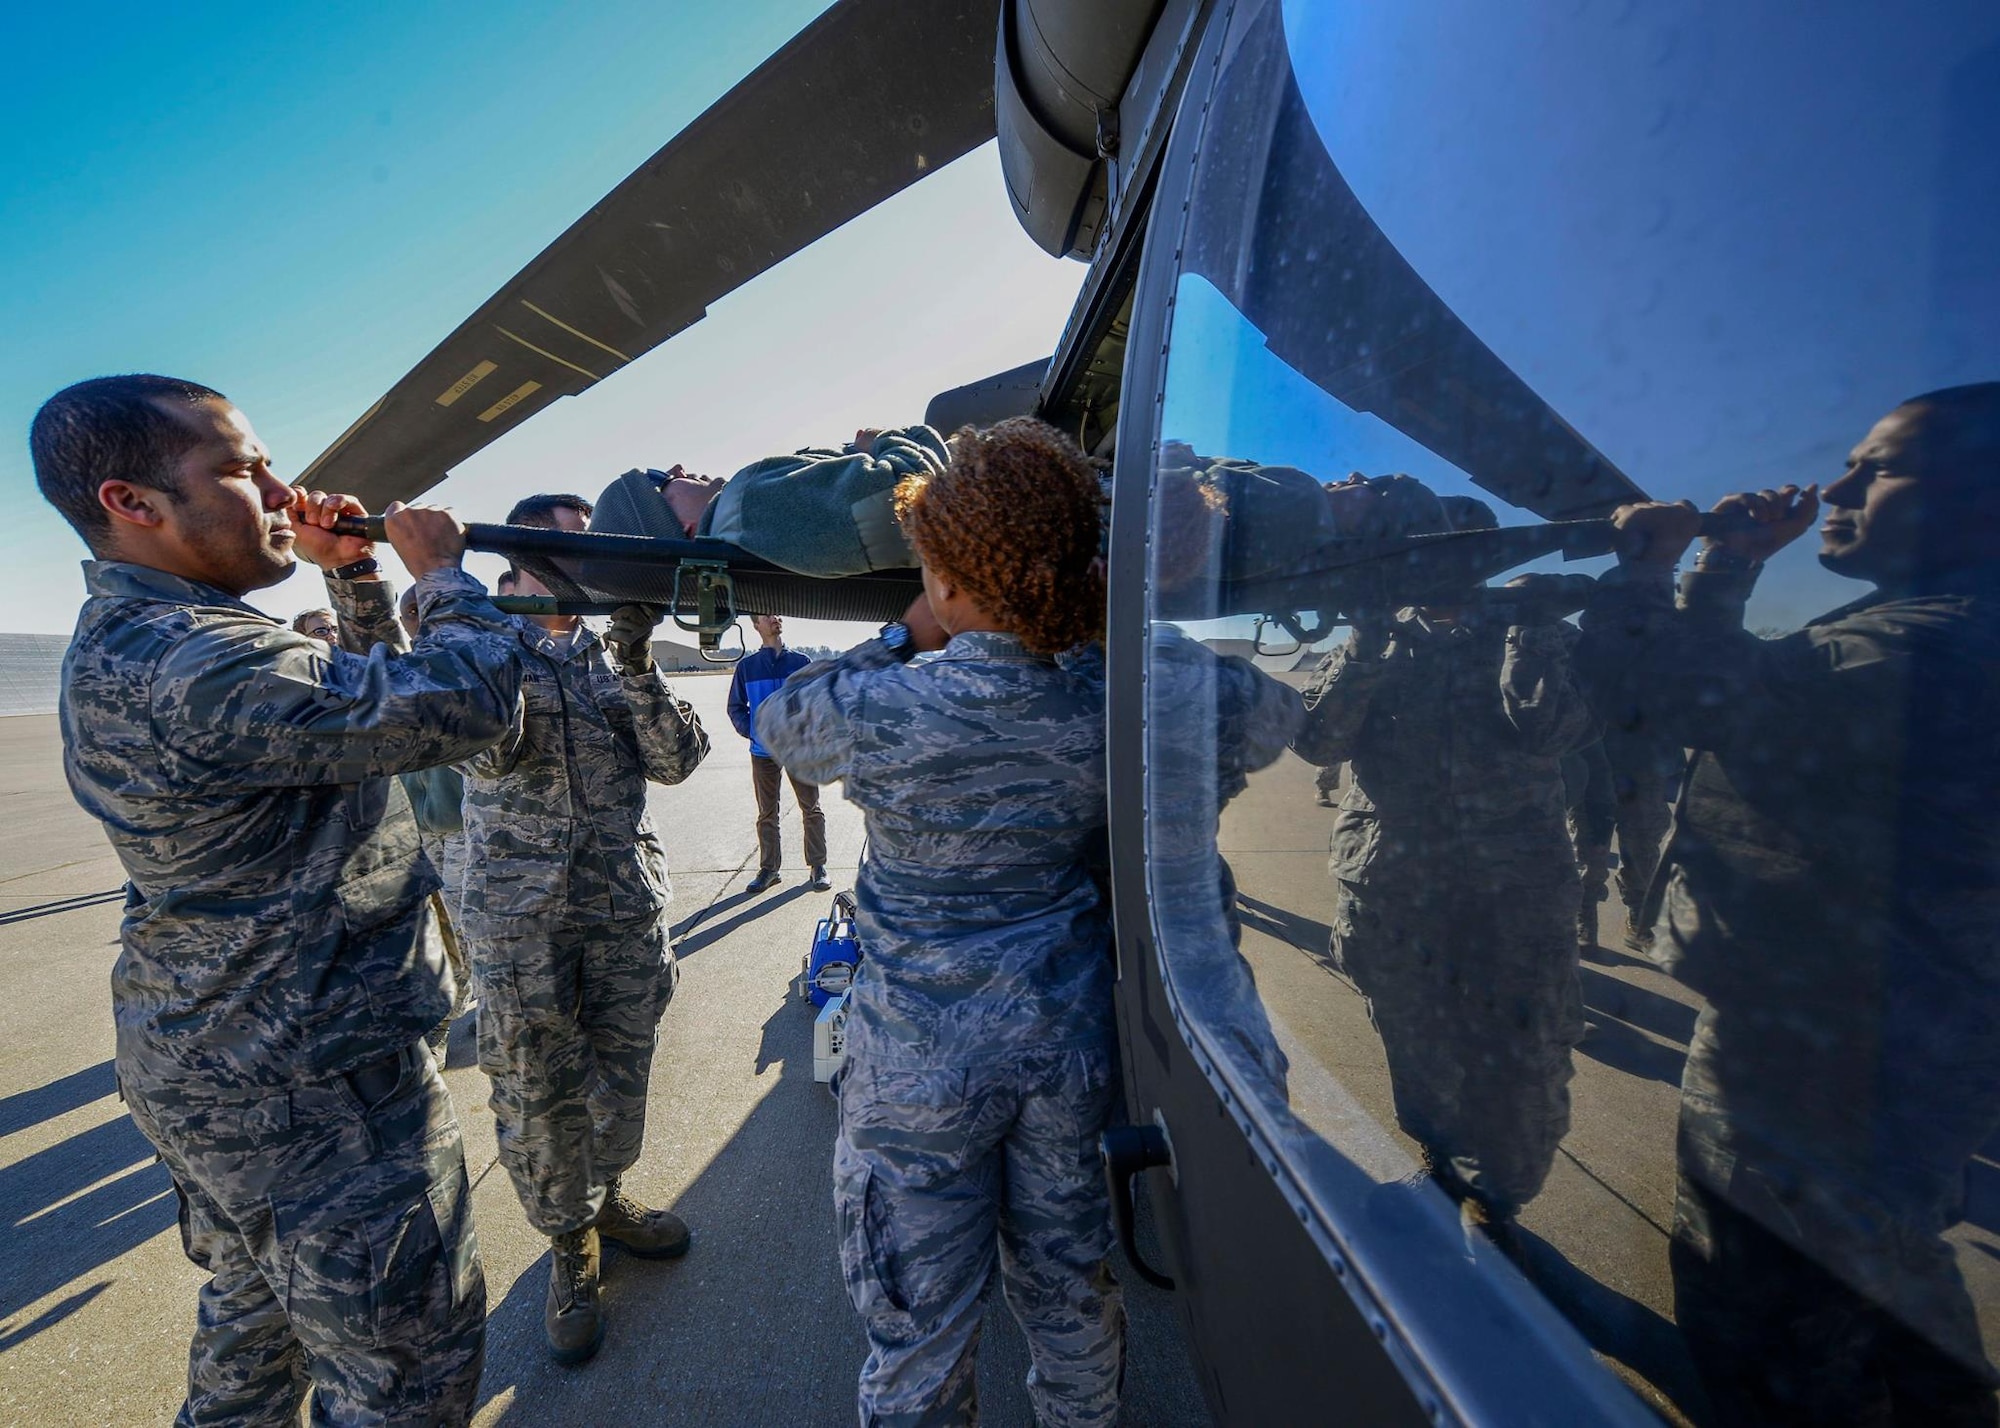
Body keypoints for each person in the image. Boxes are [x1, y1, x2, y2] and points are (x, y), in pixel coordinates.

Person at [33, 373, 523, 1425]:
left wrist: (352, 581)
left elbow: (346, 721)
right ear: (134, 504)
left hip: (230, 1059)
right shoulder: (195, 659)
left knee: (254, 1333)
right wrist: (441, 577)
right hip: (310, 1085)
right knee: (404, 1378)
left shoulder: (160, 638)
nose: (276, 485)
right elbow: (461, 705)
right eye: (239, 467)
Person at [1576, 385, 2000, 1425]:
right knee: (1884, 1290)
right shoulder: (1939, 627)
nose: (1837, 485)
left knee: (1768, 1342)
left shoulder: (1924, 653)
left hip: (1815, 1070)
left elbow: (1655, 695)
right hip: (1877, 1053)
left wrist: (1656, 562)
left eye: (1879, 467)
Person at [757, 418, 1124, 1428]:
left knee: (918, 1323)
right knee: (1066, 1284)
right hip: (1062, 1043)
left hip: (920, 1067)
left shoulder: (893, 707)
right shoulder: (1100, 707)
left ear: (952, 584)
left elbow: (780, 721)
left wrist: (901, 631)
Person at [1291, 475, 1597, 1248]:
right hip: (1393, 887)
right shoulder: (1377, 638)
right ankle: (1439, 1159)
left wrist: (1528, 629)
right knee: (1414, 1040)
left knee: (1526, 1055)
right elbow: (1319, 743)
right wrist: (1364, 642)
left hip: (1516, 896)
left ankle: (1502, 1196)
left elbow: (1550, 730)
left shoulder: (1540, 629)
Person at [459, 491, 710, 1366]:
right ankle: (568, 1243)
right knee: (535, 1088)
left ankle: (607, 1197)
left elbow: (678, 764)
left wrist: (638, 661)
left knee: (623, 1068)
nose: (584, 565)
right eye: (566, 549)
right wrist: (508, 644)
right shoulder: (481, 649)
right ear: (517, 564)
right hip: (520, 920)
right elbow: (488, 747)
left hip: (620, 908)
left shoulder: (616, 655)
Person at [398, 583, 474, 1053]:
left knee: (465, 932)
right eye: (411, 611)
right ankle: (441, 1017)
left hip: (466, 827)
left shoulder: (458, 668)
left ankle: (447, 1018)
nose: (418, 619)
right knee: (431, 936)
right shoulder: (396, 671)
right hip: (417, 832)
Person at [726, 612, 828, 893]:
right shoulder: (747, 667)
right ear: (756, 625)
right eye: (766, 616)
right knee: (767, 813)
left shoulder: (801, 663)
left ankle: (818, 866)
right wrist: (753, 731)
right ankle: (769, 869)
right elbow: (735, 707)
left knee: (811, 808)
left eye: (776, 614)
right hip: (762, 751)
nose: (774, 618)